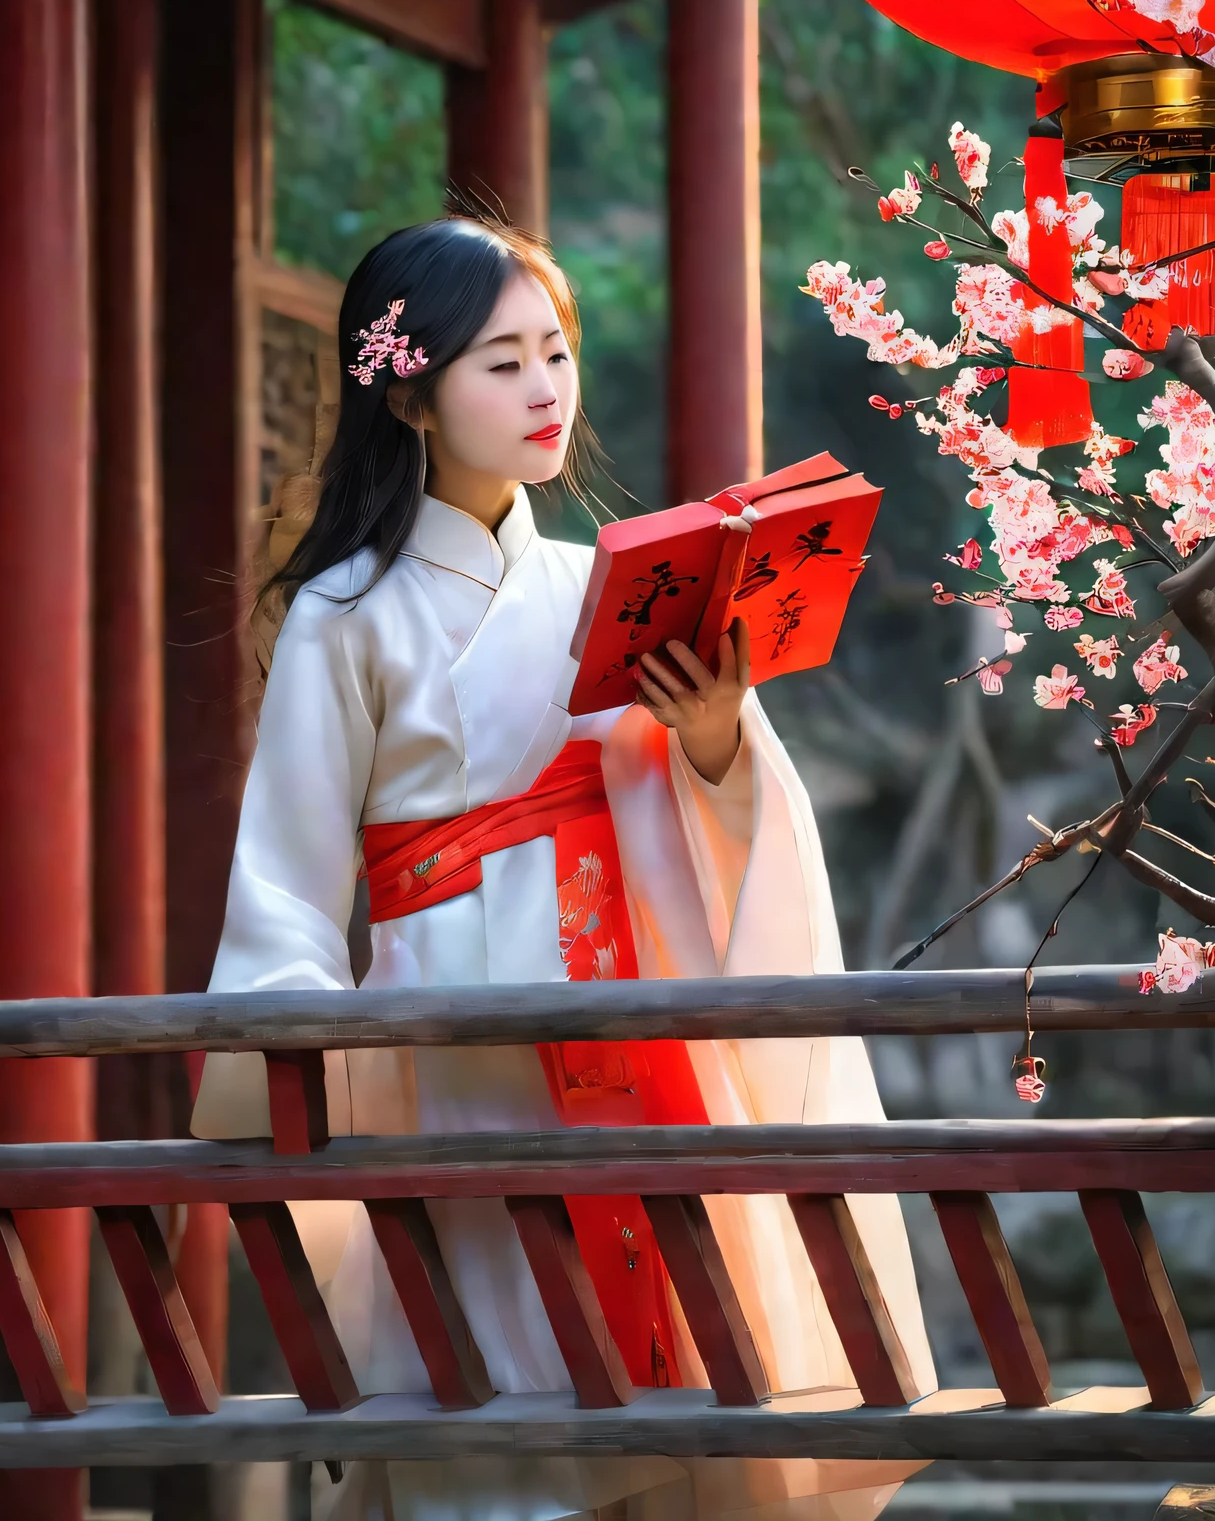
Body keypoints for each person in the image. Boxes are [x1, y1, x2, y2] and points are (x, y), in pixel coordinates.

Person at [193, 214, 934, 1521]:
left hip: (631, 1041)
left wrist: (712, 738)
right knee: (495, 1403)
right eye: (502, 363)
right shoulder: (345, 614)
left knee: (677, 1398)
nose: (545, 391)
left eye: (557, 354)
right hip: (454, 1053)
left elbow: (709, 816)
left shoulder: (608, 585)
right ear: (411, 394)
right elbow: (288, 881)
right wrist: (295, 1055)